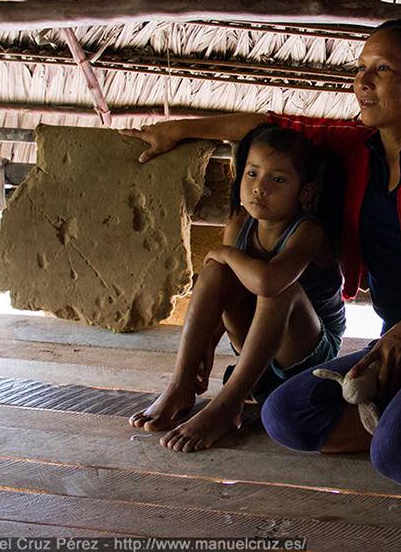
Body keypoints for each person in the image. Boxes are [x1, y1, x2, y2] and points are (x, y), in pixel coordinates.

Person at [123, 19, 401, 484]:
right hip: (400, 339)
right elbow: (270, 129)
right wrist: (181, 129)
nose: (362, 82)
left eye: (383, 69)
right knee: (285, 414)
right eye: (361, 67)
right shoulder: (355, 148)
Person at [128, 124, 346, 453]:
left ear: (305, 192)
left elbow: (270, 282)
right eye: (252, 174)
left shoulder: (308, 233)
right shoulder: (240, 224)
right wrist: (204, 348)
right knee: (216, 272)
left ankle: (227, 405)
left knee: (275, 287)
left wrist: (226, 253)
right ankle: (180, 384)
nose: (260, 188)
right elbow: (223, 294)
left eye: (278, 180)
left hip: (307, 350)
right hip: (255, 344)